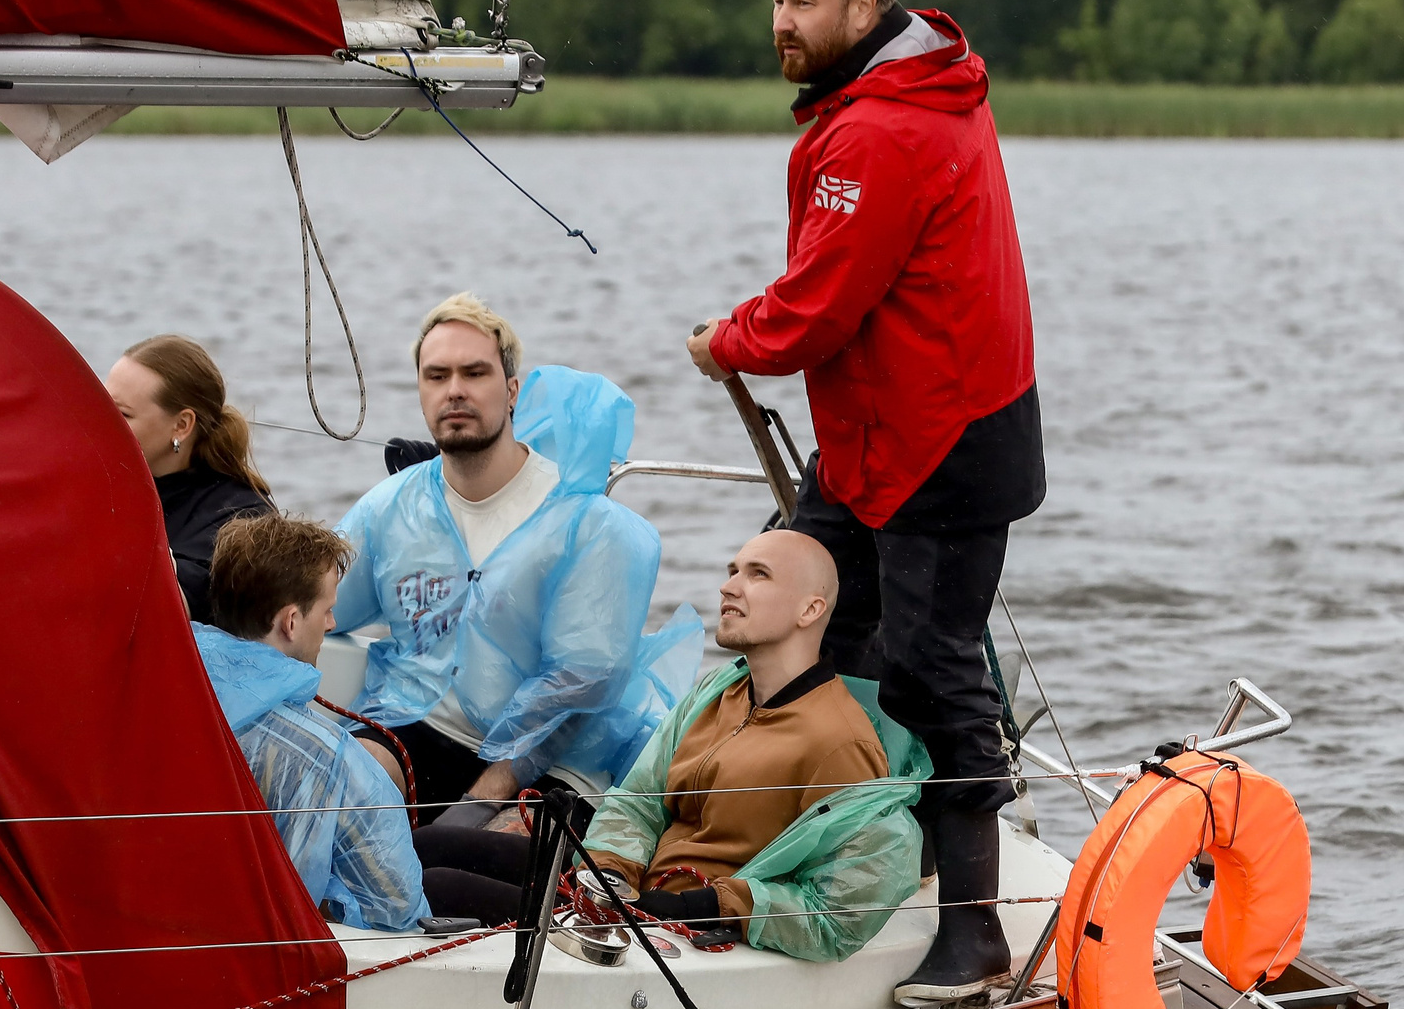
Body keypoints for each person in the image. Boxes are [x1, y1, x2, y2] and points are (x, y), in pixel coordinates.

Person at [689, 0, 1042, 1004]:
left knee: (935, 672)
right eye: (775, 3)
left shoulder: (879, 130)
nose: (783, 23)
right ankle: (848, 848)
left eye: (801, 4)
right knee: (796, 611)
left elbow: (814, 311)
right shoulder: (907, 90)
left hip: (938, 443)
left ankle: (972, 929)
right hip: (876, 443)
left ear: (860, 5)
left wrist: (723, 342)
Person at [415, 529, 929, 961]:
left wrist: (709, 906)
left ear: (810, 609)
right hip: (628, 890)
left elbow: (839, 909)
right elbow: (640, 797)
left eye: (758, 575)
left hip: (677, 922)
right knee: (425, 845)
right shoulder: (719, 690)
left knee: (440, 885)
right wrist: (612, 872)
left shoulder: (839, 741)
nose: (729, 587)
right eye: (733, 570)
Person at [335, 293, 699, 820]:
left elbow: (582, 681)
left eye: (474, 373)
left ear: (511, 392)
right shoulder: (391, 508)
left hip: (551, 759)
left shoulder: (584, 521)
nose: (455, 390)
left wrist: (484, 796)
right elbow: (314, 599)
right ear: (419, 391)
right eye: (437, 376)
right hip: (419, 724)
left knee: (482, 859)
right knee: (339, 794)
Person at [192, 514, 426, 933]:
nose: (333, 624)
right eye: (328, 609)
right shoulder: (322, 753)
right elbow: (396, 908)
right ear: (291, 622)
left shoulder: (172, 679)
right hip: (308, 943)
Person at [104, 335, 275, 619]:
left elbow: (181, 608)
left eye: (122, 414)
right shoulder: (92, 484)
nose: (103, 422)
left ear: (182, 425)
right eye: (103, 406)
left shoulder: (243, 519)